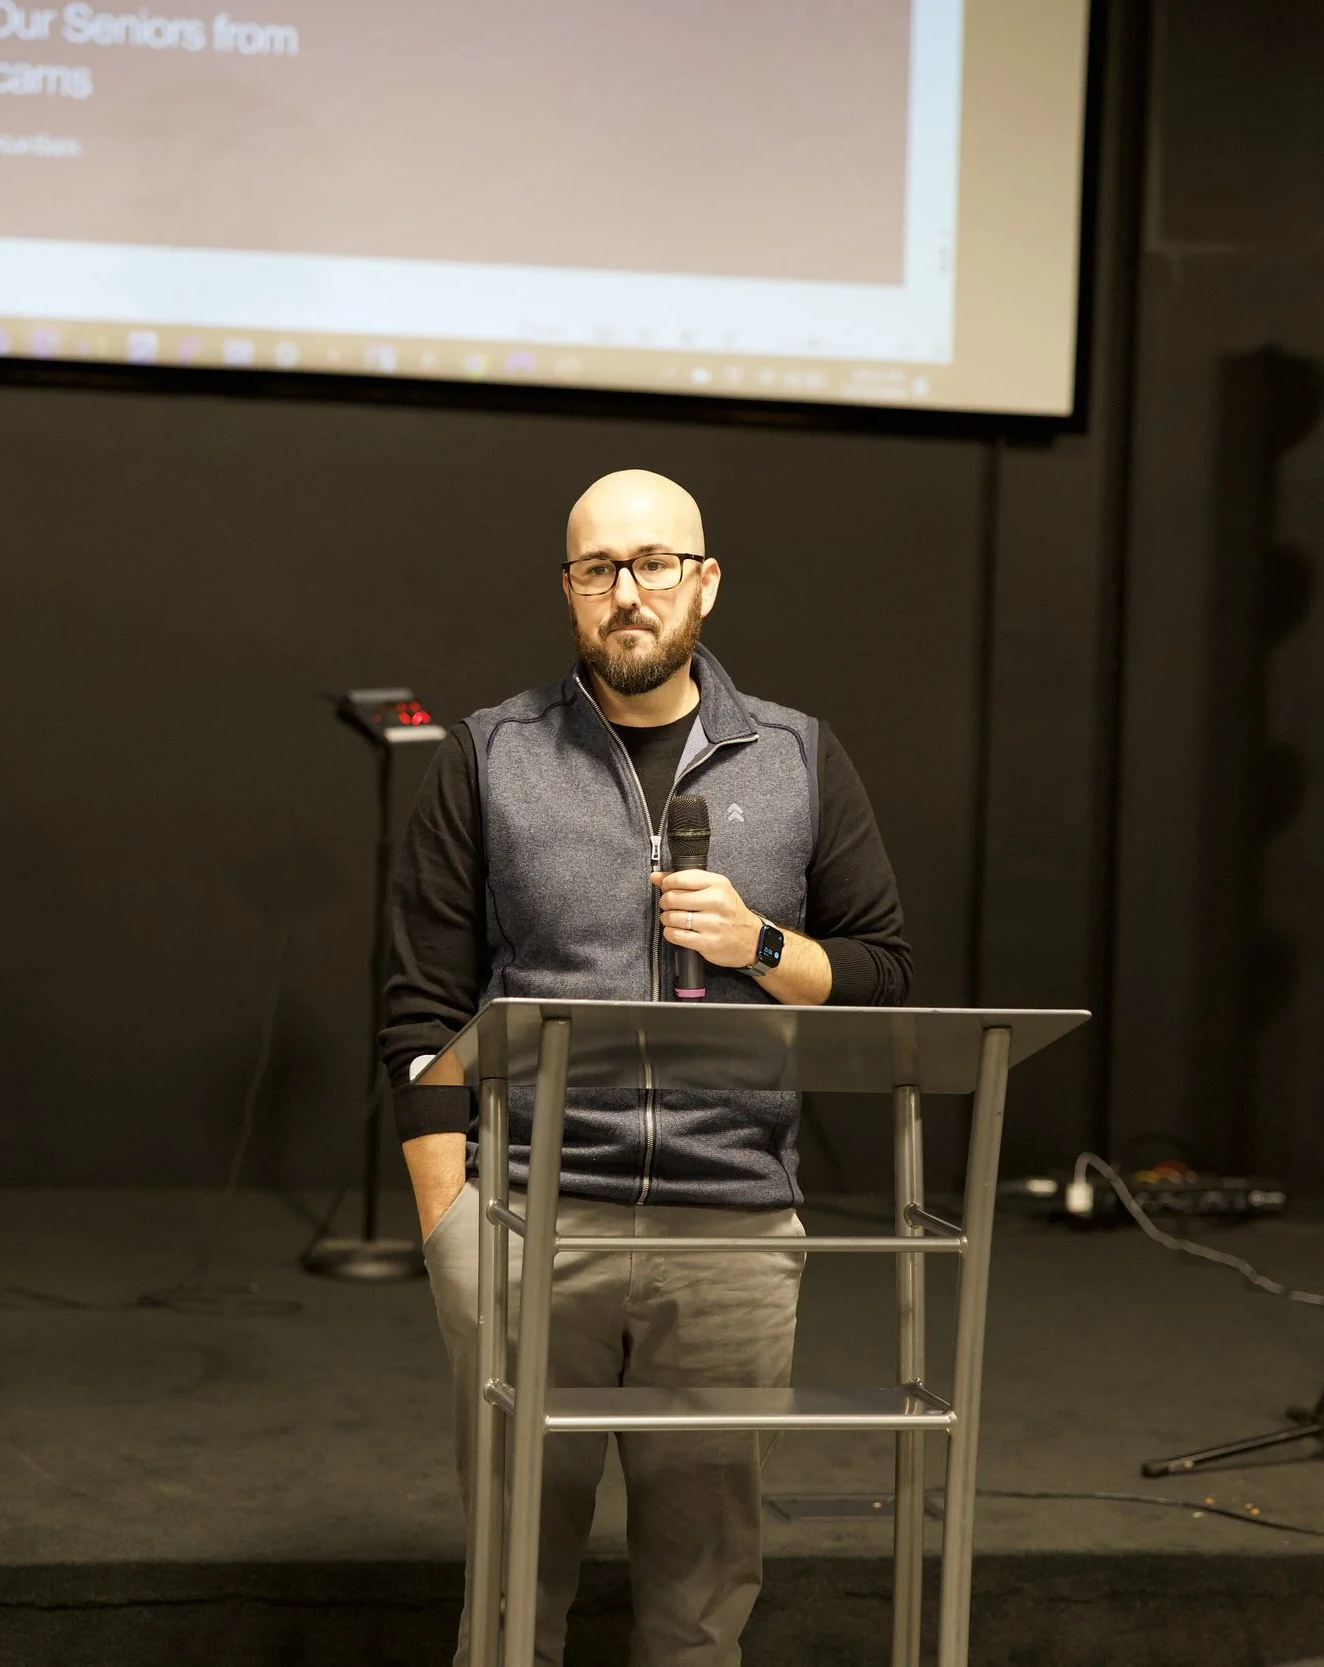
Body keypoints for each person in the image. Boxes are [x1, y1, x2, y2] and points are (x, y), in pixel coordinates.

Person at [382, 468, 912, 1666]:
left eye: (655, 563)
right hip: (527, 1221)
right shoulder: (490, 755)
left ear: (704, 582)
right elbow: (420, 1005)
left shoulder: (797, 754)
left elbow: (884, 973)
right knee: (512, 1594)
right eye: (598, 569)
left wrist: (760, 944)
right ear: (568, 590)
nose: (628, 592)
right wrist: (449, 1227)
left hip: (730, 1227)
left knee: (700, 1604)